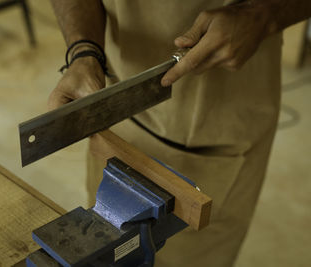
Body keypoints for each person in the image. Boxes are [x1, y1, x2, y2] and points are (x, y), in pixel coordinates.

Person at [47, 1, 311, 266]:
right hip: (116, 111)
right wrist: (84, 51)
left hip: (218, 132)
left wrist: (265, 15)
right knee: (105, 249)